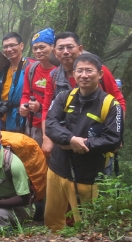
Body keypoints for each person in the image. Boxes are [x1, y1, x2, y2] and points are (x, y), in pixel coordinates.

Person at [44, 53, 122, 232]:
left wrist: (84, 144)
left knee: (85, 223)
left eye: (89, 70)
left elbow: (113, 139)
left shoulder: (111, 105)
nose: (84, 75)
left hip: (87, 173)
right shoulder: (64, 97)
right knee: (52, 221)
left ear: (100, 74)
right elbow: (50, 124)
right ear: (74, 74)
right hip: (57, 167)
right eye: (80, 71)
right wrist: (70, 139)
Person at [41, 32, 126, 157]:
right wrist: (46, 137)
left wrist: (118, 133)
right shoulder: (54, 76)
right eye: (61, 48)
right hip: (64, 140)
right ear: (55, 52)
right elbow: (47, 107)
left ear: (80, 49)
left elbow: (119, 101)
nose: (65, 52)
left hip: (95, 142)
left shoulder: (98, 71)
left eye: (70, 47)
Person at [0, 32, 32, 132]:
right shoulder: (1, 68)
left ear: (21, 46)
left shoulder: (30, 67)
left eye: (12, 45)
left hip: (19, 117)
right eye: (5, 47)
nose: (9, 49)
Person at [19, 28, 56, 146]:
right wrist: (23, 106)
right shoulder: (31, 69)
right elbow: (26, 94)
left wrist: (40, 107)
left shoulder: (59, 72)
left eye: (42, 47)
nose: (38, 51)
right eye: (35, 48)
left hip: (51, 126)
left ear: (53, 47)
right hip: (31, 124)